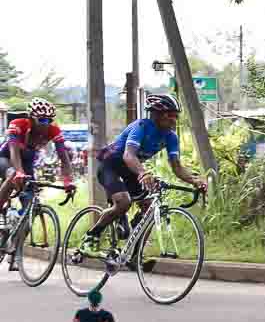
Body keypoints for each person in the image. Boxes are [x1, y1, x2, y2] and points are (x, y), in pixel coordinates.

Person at [82, 94, 207, 250]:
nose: (174, 120)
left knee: (149, 208)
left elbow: (176, 167)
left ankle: (135, 254)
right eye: (170, 115)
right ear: (156, 115)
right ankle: (91, 236)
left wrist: (195, 181)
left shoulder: (171, 137)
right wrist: (143, 173)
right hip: (110, 165)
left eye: (176, 116)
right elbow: (128, 155)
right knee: (124, 202)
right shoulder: (141, 127)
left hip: (130, 169)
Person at [0, 98, 74, 268]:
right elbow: (13, 152)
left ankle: (16, 250)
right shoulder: (18, 124)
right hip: (6, 159)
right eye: (41, 120)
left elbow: (64, 158)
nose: (45, 124)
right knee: (13, 175)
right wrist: (18, 172)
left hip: (27, 164)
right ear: (31, 118)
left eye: (49, 120)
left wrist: (68, 180)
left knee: (30, 210)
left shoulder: (53, 130)